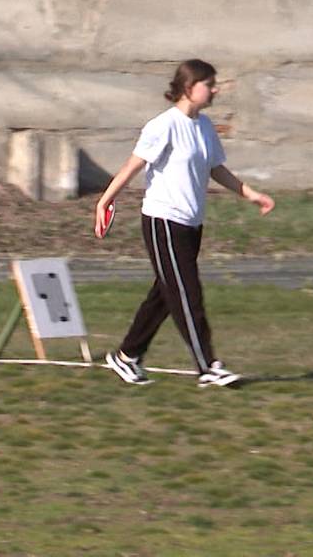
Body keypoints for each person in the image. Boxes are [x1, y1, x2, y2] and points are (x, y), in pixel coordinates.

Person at [94, 58, 275, 388]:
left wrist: (251, 194)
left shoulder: (204, 127)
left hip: (192, 224)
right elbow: (132, 166)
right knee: (187, 294)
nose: (216, 89)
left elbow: (216, 169)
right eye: (209, 84)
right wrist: (106, 200)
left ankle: (126, 356)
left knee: (165, 294)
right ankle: (208, 366)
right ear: (190, 88)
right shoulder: (164, 126)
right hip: (163, 221)